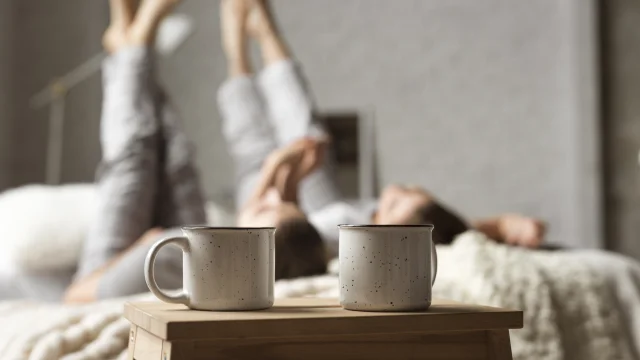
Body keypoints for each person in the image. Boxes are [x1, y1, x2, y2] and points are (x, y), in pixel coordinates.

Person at [218, 0, 547, 261]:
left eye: (391, 205)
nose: (391, 192)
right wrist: (503, 225)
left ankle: (242, 44)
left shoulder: (347, 239)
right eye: (407, 190)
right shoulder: (382, 221)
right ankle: (261, 32)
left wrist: (279, 167)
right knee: (299, 134)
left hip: (290, 209)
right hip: (319, 207)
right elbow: (449, 234)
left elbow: (271, 222)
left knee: (258, 147)